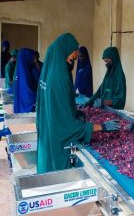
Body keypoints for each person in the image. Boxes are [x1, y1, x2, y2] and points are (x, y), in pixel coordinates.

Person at [37, 33, 120, 174]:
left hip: (48, 133)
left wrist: (73, 111)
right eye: (72, 58)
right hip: (58, 143)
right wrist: (101, 127)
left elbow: (56, 107)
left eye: (75, 59)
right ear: (64, 52)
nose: (73, 63)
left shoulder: (48, 71)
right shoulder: (60, 77)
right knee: (57, 182)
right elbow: (66, 125)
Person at [13, 48, 37, 113]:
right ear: (27, 58)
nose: (35, 61)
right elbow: (28, 94)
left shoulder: (18, 70)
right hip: (26, 112)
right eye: (33, 58)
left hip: (19, 108)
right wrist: (40, 96)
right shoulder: (25, 73)